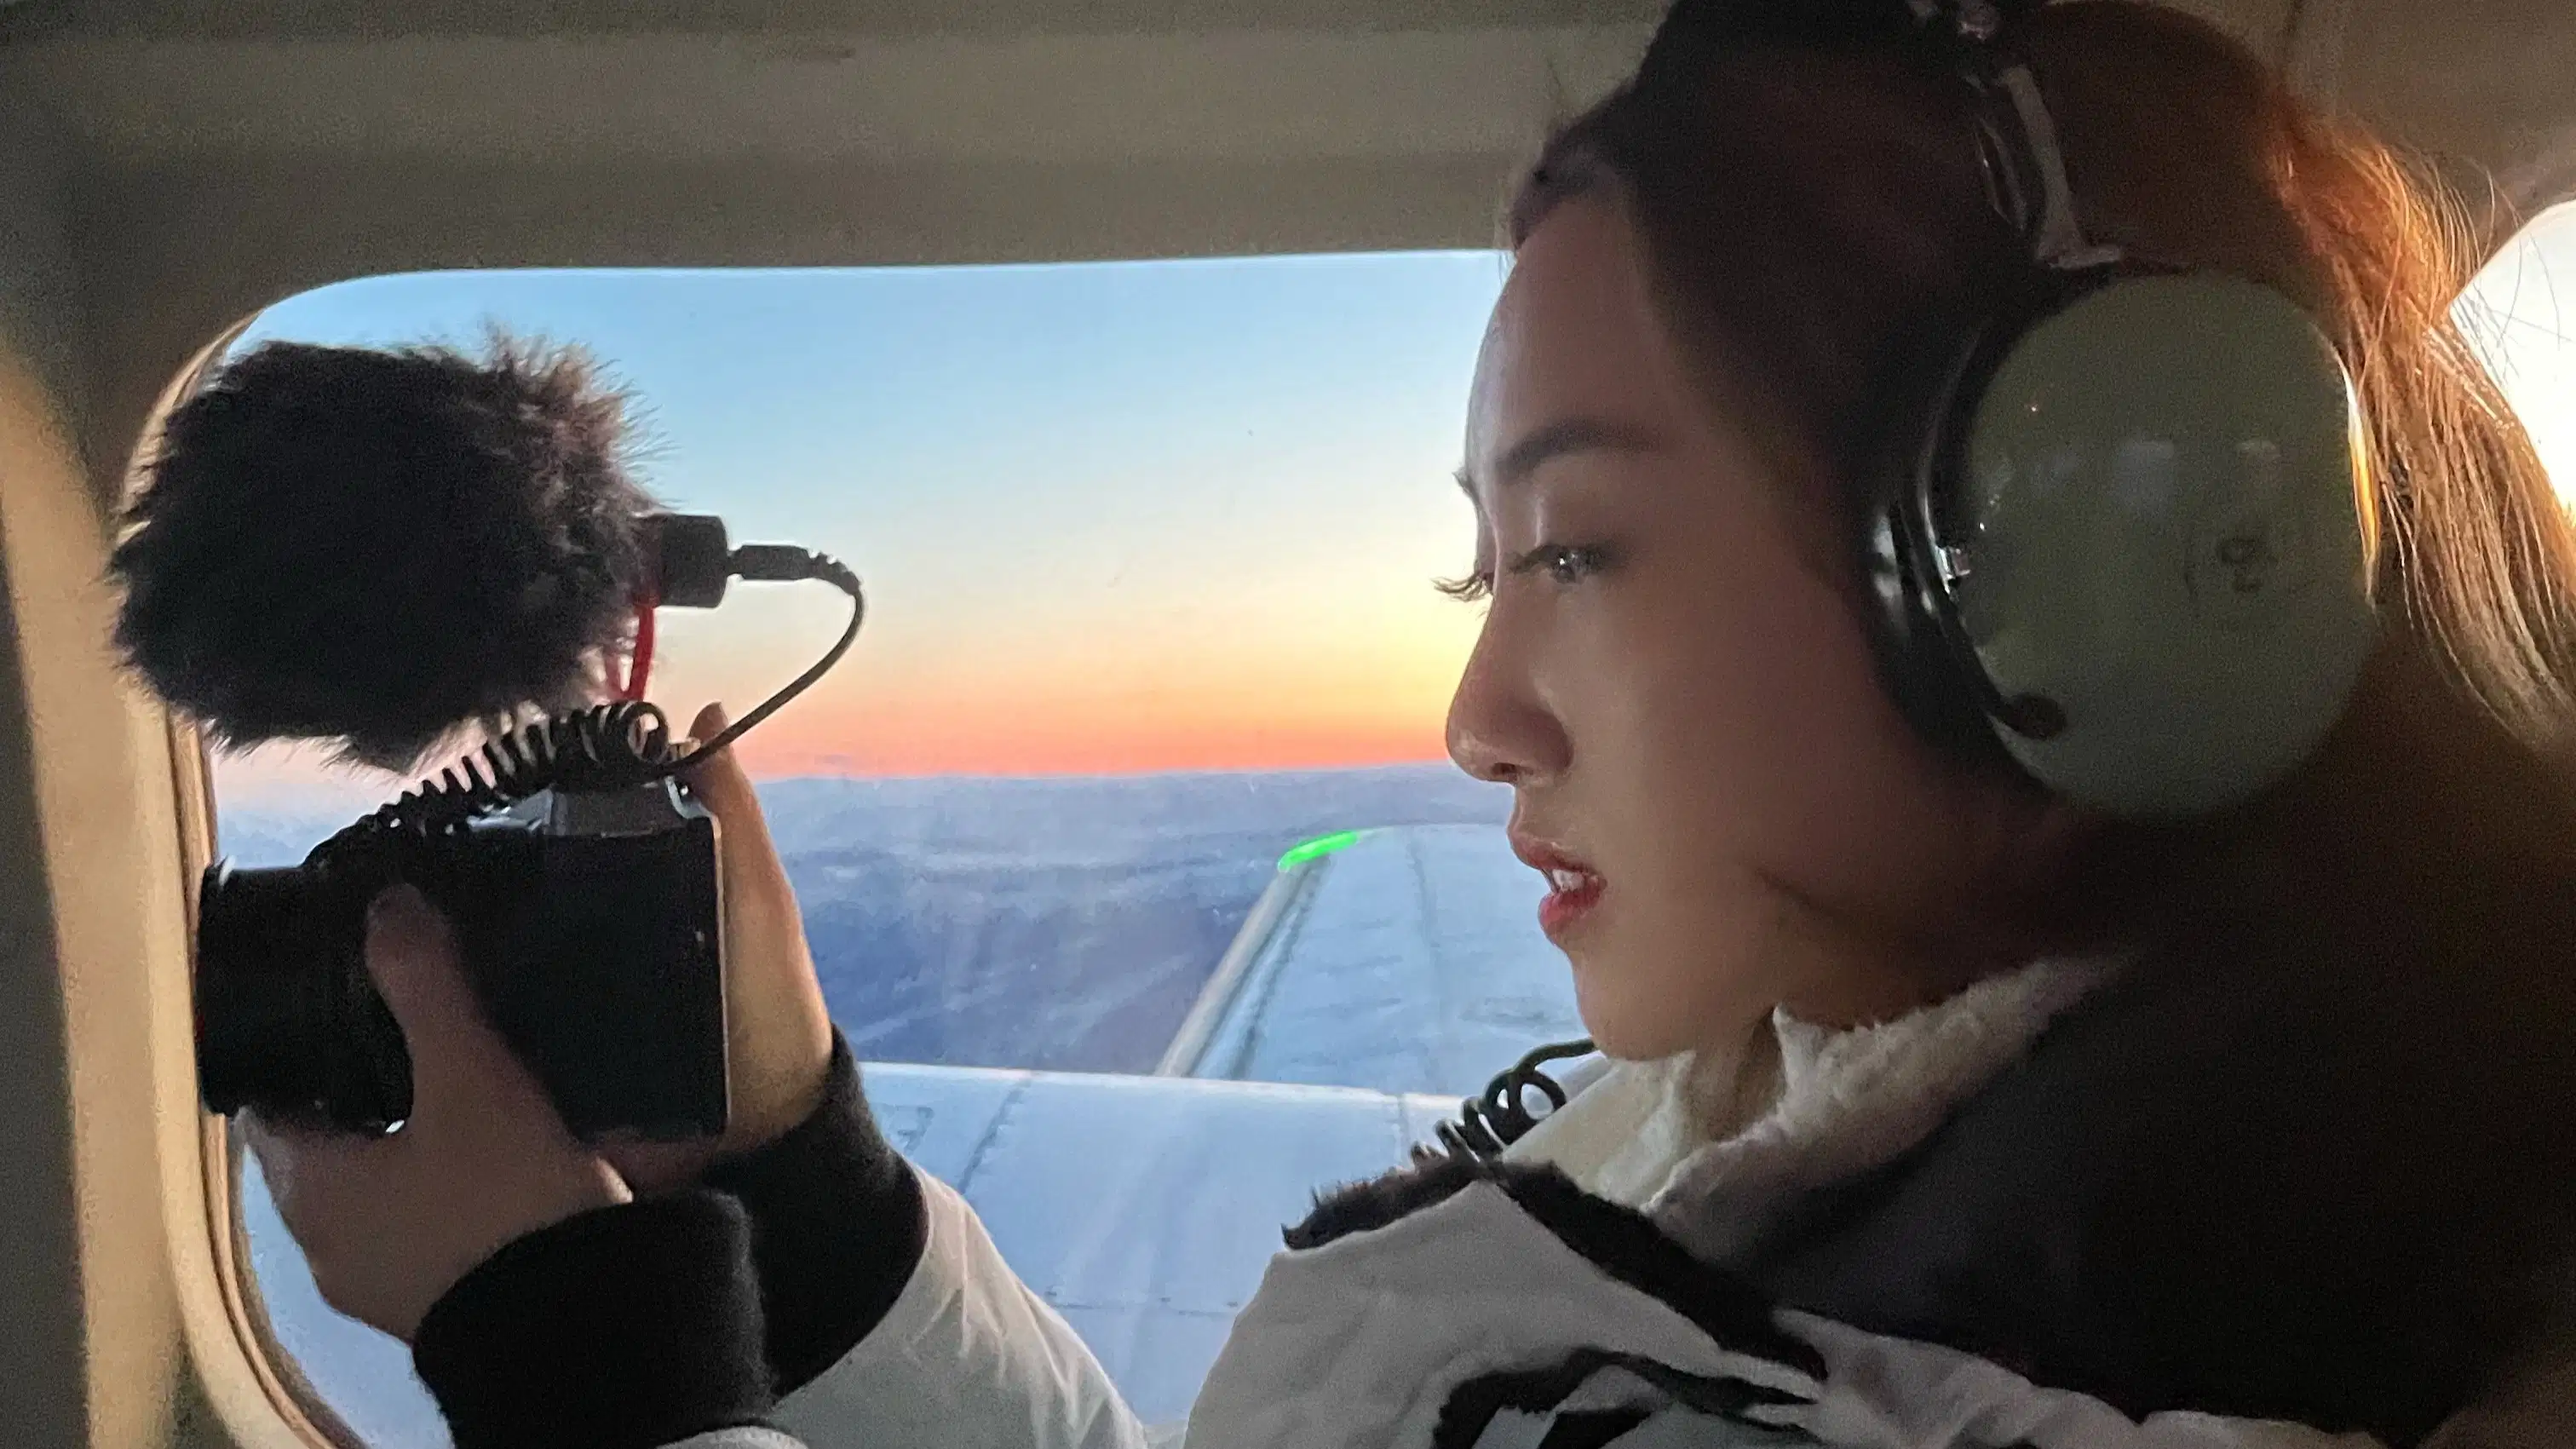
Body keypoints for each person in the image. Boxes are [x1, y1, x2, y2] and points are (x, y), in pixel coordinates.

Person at [247, 1, 2576, 1446]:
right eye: (1489, 571)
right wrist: (798, 1179)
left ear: (2074, 545)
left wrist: (577, 1368)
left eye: (1576, 548)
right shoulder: (1827, 1178)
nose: (1476, 716)